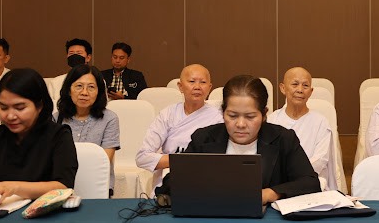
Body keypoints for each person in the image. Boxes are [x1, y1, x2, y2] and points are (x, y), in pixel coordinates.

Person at [182, 75, 321, 204]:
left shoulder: (283, 139)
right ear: (223, 112)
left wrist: (270, 194)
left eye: (250, 117)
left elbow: (310, 183)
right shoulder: (204, 139)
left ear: (264, 114)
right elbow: (176, 182)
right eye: (232, 116)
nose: (240, 124)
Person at [136, 64, 223, 194]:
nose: (197, 87)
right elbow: (142, 158)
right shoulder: (167, 114)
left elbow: (219, 161)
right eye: (192, 81)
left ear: (210, 88)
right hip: (168, 182)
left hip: (205, 182)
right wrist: (182, 161)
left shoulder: (218, 118)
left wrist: (181, 161)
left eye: (203, 82)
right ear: (180, 86)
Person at [0, 68, 78, 204]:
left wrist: (14, 187)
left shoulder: (59, 136)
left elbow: (64, 186)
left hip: (43, 210)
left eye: (20, 108)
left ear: (39, 106)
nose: (10, 116)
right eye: (3, 108)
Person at [268, 67, 338, 190]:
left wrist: (295, 179)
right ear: (283, 88)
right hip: (278, 186)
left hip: (310, 185)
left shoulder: (321, 122)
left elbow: (320, 160)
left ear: (311, 91)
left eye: (305, 86)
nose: (300, 90)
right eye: (295, 84)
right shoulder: (272, 120)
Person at [55, 64, 120, 196]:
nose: (84, 92)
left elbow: (103, 161)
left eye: (91, 87)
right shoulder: (56, 119)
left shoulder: (110, 119)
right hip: (62, 188)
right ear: (69, 90)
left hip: (97, 185)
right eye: (79, 86)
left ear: (99, 92)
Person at [49, 39, 94, 109]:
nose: (75, 56)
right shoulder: (55, 82)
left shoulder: (96, 80)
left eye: (79, 53)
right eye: (71, 53)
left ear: (88, 57)